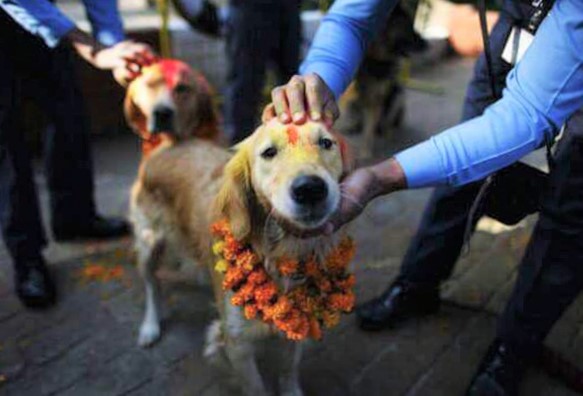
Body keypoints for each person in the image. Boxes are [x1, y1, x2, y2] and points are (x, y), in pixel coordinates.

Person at [264, 0, 583, 394]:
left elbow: (526, 114)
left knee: (570, 208)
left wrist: (381, 178)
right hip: (515, 27)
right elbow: (353, 16)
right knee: (461, 173)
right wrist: (317, 81)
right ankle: (418, 285)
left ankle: (514, 348)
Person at [0, 0, 154, 309]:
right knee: (6, 142)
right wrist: (92, 47)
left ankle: (74, 217)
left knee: (68, 111)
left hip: (44, 13)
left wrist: (116, 50)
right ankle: (26, 256)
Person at [224, 0, 302, 144]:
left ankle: (296, 141)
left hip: (287, 7)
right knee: (244, 83)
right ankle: (238, 148)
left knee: (292, 82)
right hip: (249, 8)